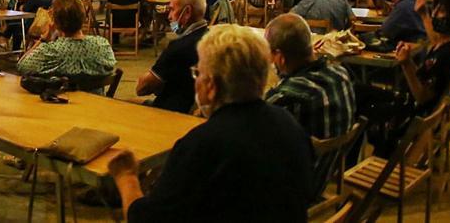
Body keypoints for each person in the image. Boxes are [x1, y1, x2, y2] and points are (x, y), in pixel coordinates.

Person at [109, 24, 315, 222]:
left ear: (212, 86)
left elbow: (145, 219)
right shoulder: (291, 127)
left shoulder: (202, 145)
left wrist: (127, 177)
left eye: (198, 73)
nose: (196, 80)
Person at [264, 13, 356, 139]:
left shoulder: (284, 99)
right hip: (335, 158)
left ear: (280, 57)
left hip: (303, 158)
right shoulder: (342, 75)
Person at [136, 0, 208, 113]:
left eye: (172, 10)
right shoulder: (211, 39)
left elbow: (142, 88)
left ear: (187, 12)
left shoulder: (179, 47)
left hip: (170, 110)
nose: (169, 16)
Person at [396, 0, 450, 113]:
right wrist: (408, 58)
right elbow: (423, 75)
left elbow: (422, 97)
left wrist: (406, 64)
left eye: (442, 11)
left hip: (417, 117)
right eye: (434, 8)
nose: (434, 14)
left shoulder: (446, 56)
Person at [17, 0, 115, 78]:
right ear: (83, 19)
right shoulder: (102, 46)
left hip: (60, 97)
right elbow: (110, 67)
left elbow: (22, 66)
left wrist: (44, 38)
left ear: (56, 23)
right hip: (96, 99)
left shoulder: (52, 51)